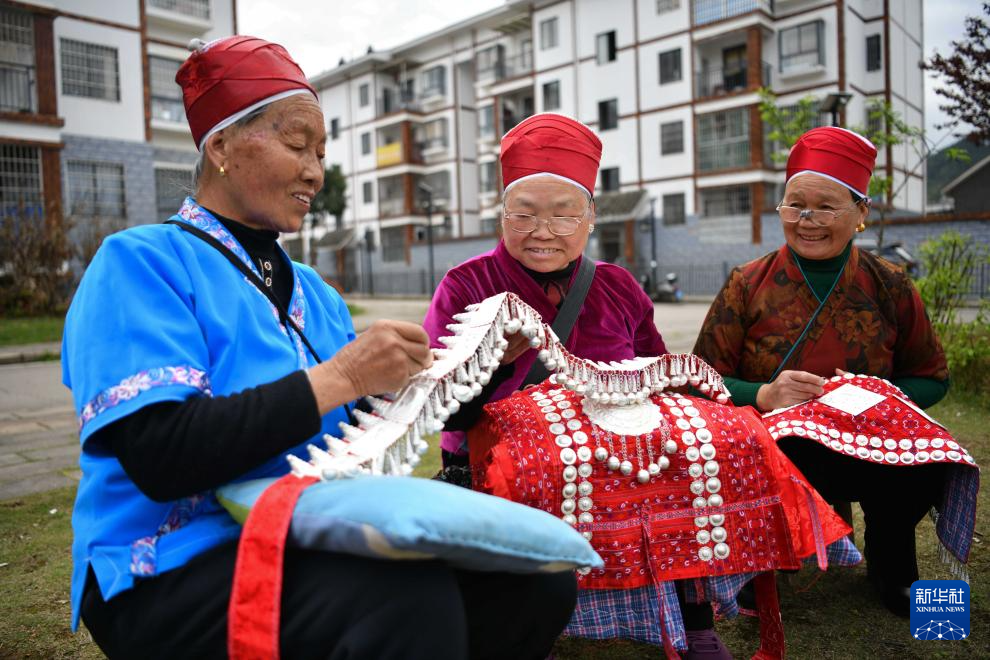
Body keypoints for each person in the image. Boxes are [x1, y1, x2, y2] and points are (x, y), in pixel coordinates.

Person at [63, 36, 575, 659]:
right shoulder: (141, 262)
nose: (314, 170)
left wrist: (481, 365)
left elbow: (370, 428)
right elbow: (162, 457)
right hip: (169, 560)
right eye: (296, 143)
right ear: (220, 146)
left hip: (306, 528)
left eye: (321, 152)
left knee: (534, 583)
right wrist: (345, 375)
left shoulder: (315, 293)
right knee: (405, 601)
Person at [423, 113, 731, 658]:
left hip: (613, 456)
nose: (542, 232)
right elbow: (440, 409)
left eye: (563, 215)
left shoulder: (617, 286)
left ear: (590, 218)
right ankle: (526, 623)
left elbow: (658, 375)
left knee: (685, 458)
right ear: (502, 216)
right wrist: (495, 364)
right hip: (503, 463)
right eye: (524, 214)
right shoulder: (467, 285)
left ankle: (694, 621)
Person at [693, 126, 952, 616]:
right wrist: (764, 394)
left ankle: (892, 565)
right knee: (774, 451)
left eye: (826, 207)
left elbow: (933, 377)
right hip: (779, 442)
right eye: (795, 206)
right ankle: (763, 566)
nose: (807, 221)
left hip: (872, 441)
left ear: (861, 213)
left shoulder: (890, 285)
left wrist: (874, 394)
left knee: (924, 467)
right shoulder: (748, 283)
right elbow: (700, 379)